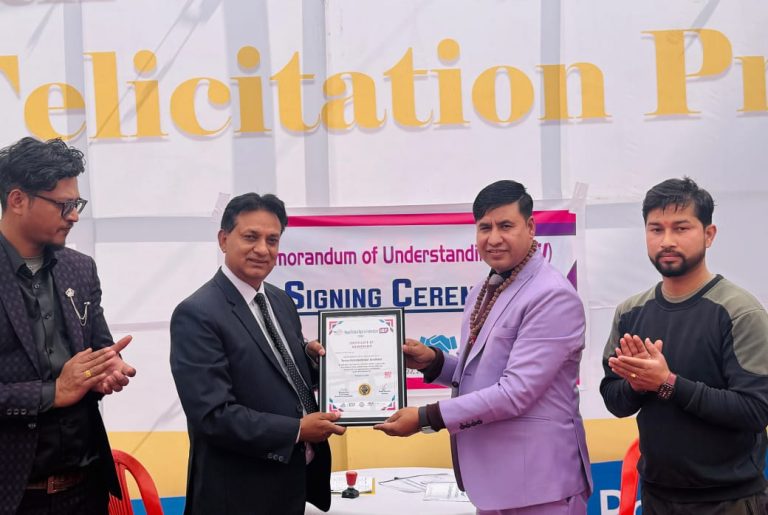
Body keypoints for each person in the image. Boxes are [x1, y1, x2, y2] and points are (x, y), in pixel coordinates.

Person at [374, 180, 592, 514]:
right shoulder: (483, 290)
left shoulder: (552, 295)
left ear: (530, 227)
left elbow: (515, 392)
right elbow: (482, 373)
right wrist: (432, 362)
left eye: (506, 226)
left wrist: (426, 417)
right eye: (485, 227)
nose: (494, 238)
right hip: (494, 486)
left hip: (540, 487)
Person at [170, 192, 346, 515]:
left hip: (292, 487)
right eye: (251, 237)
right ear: (224, 240)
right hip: (238, 497)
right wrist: (297, 430)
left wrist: (312, 361)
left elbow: (278, 373)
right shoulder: (197, 314)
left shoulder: (281, 301)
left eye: (272, 240)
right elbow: (213, 416)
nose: (263, 249)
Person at [600, 177, 768, 514]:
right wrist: (637, 386)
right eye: (656, 229)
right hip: (656, 496)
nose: (667, 241)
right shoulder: (631, 312)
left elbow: (755, 410)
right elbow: (615, 400)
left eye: (681, 228)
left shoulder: (739, 312)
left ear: (709, 234)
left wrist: (667, 383)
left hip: (730, 500)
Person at [0, 137, 136, 515]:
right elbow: (62, 388)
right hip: (13, 496)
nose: (74, 216)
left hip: (86, 488)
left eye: (77, 204)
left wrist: (108, 370)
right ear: (17, 200)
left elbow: (100, 348)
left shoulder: (79, 268)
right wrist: (52, 393)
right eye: (64, 205)